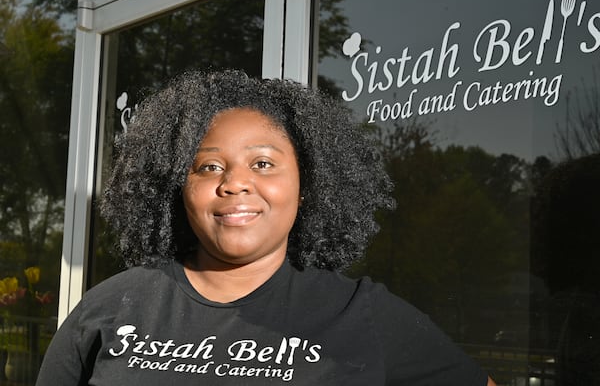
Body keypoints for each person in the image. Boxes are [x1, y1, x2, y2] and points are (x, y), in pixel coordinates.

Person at [36, 70, 495, 385]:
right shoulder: (112, 306)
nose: (235, 183)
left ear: (306, 184)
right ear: (179, 189)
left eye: (263, 163)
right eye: (209, 166)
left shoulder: (362, 313)